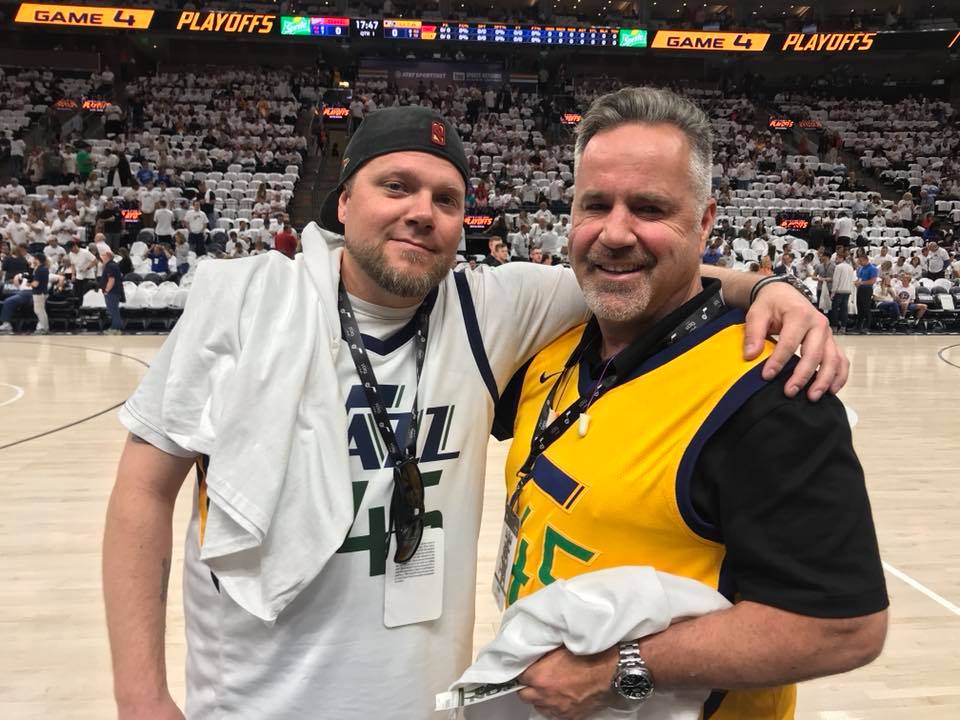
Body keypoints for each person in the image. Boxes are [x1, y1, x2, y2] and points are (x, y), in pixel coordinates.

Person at [103, 104, 845, 720]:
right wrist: (141, 696)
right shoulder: (245, 301)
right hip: (251, 701)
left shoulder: (488, 307)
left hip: (422, 703)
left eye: (446, 200)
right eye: (396, 186)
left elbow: (640, 264)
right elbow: (142, 493)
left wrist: (770, 290)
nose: (421, 213)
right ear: (344, 201)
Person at [493, 86, 886, 720]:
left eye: (649, 207)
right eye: (596, 204)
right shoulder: (550, 344)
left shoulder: (770, 390)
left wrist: (618, 669)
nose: (615, 232)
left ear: (704, 221)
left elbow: (844, 625)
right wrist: (761, 282)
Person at [99, 247, 125, 334]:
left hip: (112, 292)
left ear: (107, 256)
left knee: (113, 310)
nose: (101, 256)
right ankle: (118, 328)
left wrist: (106, 290)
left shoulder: (111, 266)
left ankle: (116, 328)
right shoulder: (110, 265)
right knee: (113, 310)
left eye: (103, 255)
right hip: (112, 292)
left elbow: (111, 280)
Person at [831, 247, 856, 333]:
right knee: (844, 309)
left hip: (839, 291)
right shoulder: (850, 267)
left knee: (835, 309)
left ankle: (834, 326)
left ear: (841, 258)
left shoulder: (838, 267)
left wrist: (833, 292)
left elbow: (836, 280)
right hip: (847, 291)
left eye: (837, 258)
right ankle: (843, 327)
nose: (836, 259)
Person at [854, 252, 879, 333]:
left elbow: (873, 281)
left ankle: (867, 326)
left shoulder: (872, 268)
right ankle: (858, 326)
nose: (860, 263)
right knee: (860, 308)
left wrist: (861, 283)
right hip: (860, 289)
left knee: (866, 308)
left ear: (866, 260)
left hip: (867, 290)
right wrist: (856, 282)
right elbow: (859, 278)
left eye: (861, 261)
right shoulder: (861, 268)